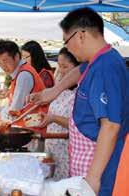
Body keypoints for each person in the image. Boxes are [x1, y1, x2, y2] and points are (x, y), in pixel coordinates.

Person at [28, 7, 129, 196]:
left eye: (67, 42)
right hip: (86, 159)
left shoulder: (106, 68)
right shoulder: (99, 59)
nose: (68, 49)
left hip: (101, 167)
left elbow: (111, 126)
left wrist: (93, 178)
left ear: (81, 35)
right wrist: (54, 90)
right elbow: (79, 71)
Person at [38, 47, 79, 180]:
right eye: (59, 66)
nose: (60, 71)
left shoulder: (80, 92)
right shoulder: (61, 87)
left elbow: (77, 125)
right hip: (52, 149)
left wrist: (53, 118)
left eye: (65, 66)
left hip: (67, 153)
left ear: (78, 68)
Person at [0, 40, 48, 132]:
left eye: (5, 61)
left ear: (17, 57)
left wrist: (0, 117)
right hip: (27, 128)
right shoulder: (19, 73)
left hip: (32, 131)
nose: (2, 66)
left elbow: (14, 111)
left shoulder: (23, 75)